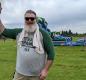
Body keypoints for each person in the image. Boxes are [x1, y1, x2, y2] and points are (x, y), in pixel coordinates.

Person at [0, 9, 55, 80]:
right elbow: (4, 31)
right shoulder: (19, 32)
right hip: (20, 73)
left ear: (36, 20)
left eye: (32, 18)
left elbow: (51, 54)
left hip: (36, 75)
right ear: (24, 19)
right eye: (27, 18)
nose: (29, 20)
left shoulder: (44, 34)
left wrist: (45, 70)